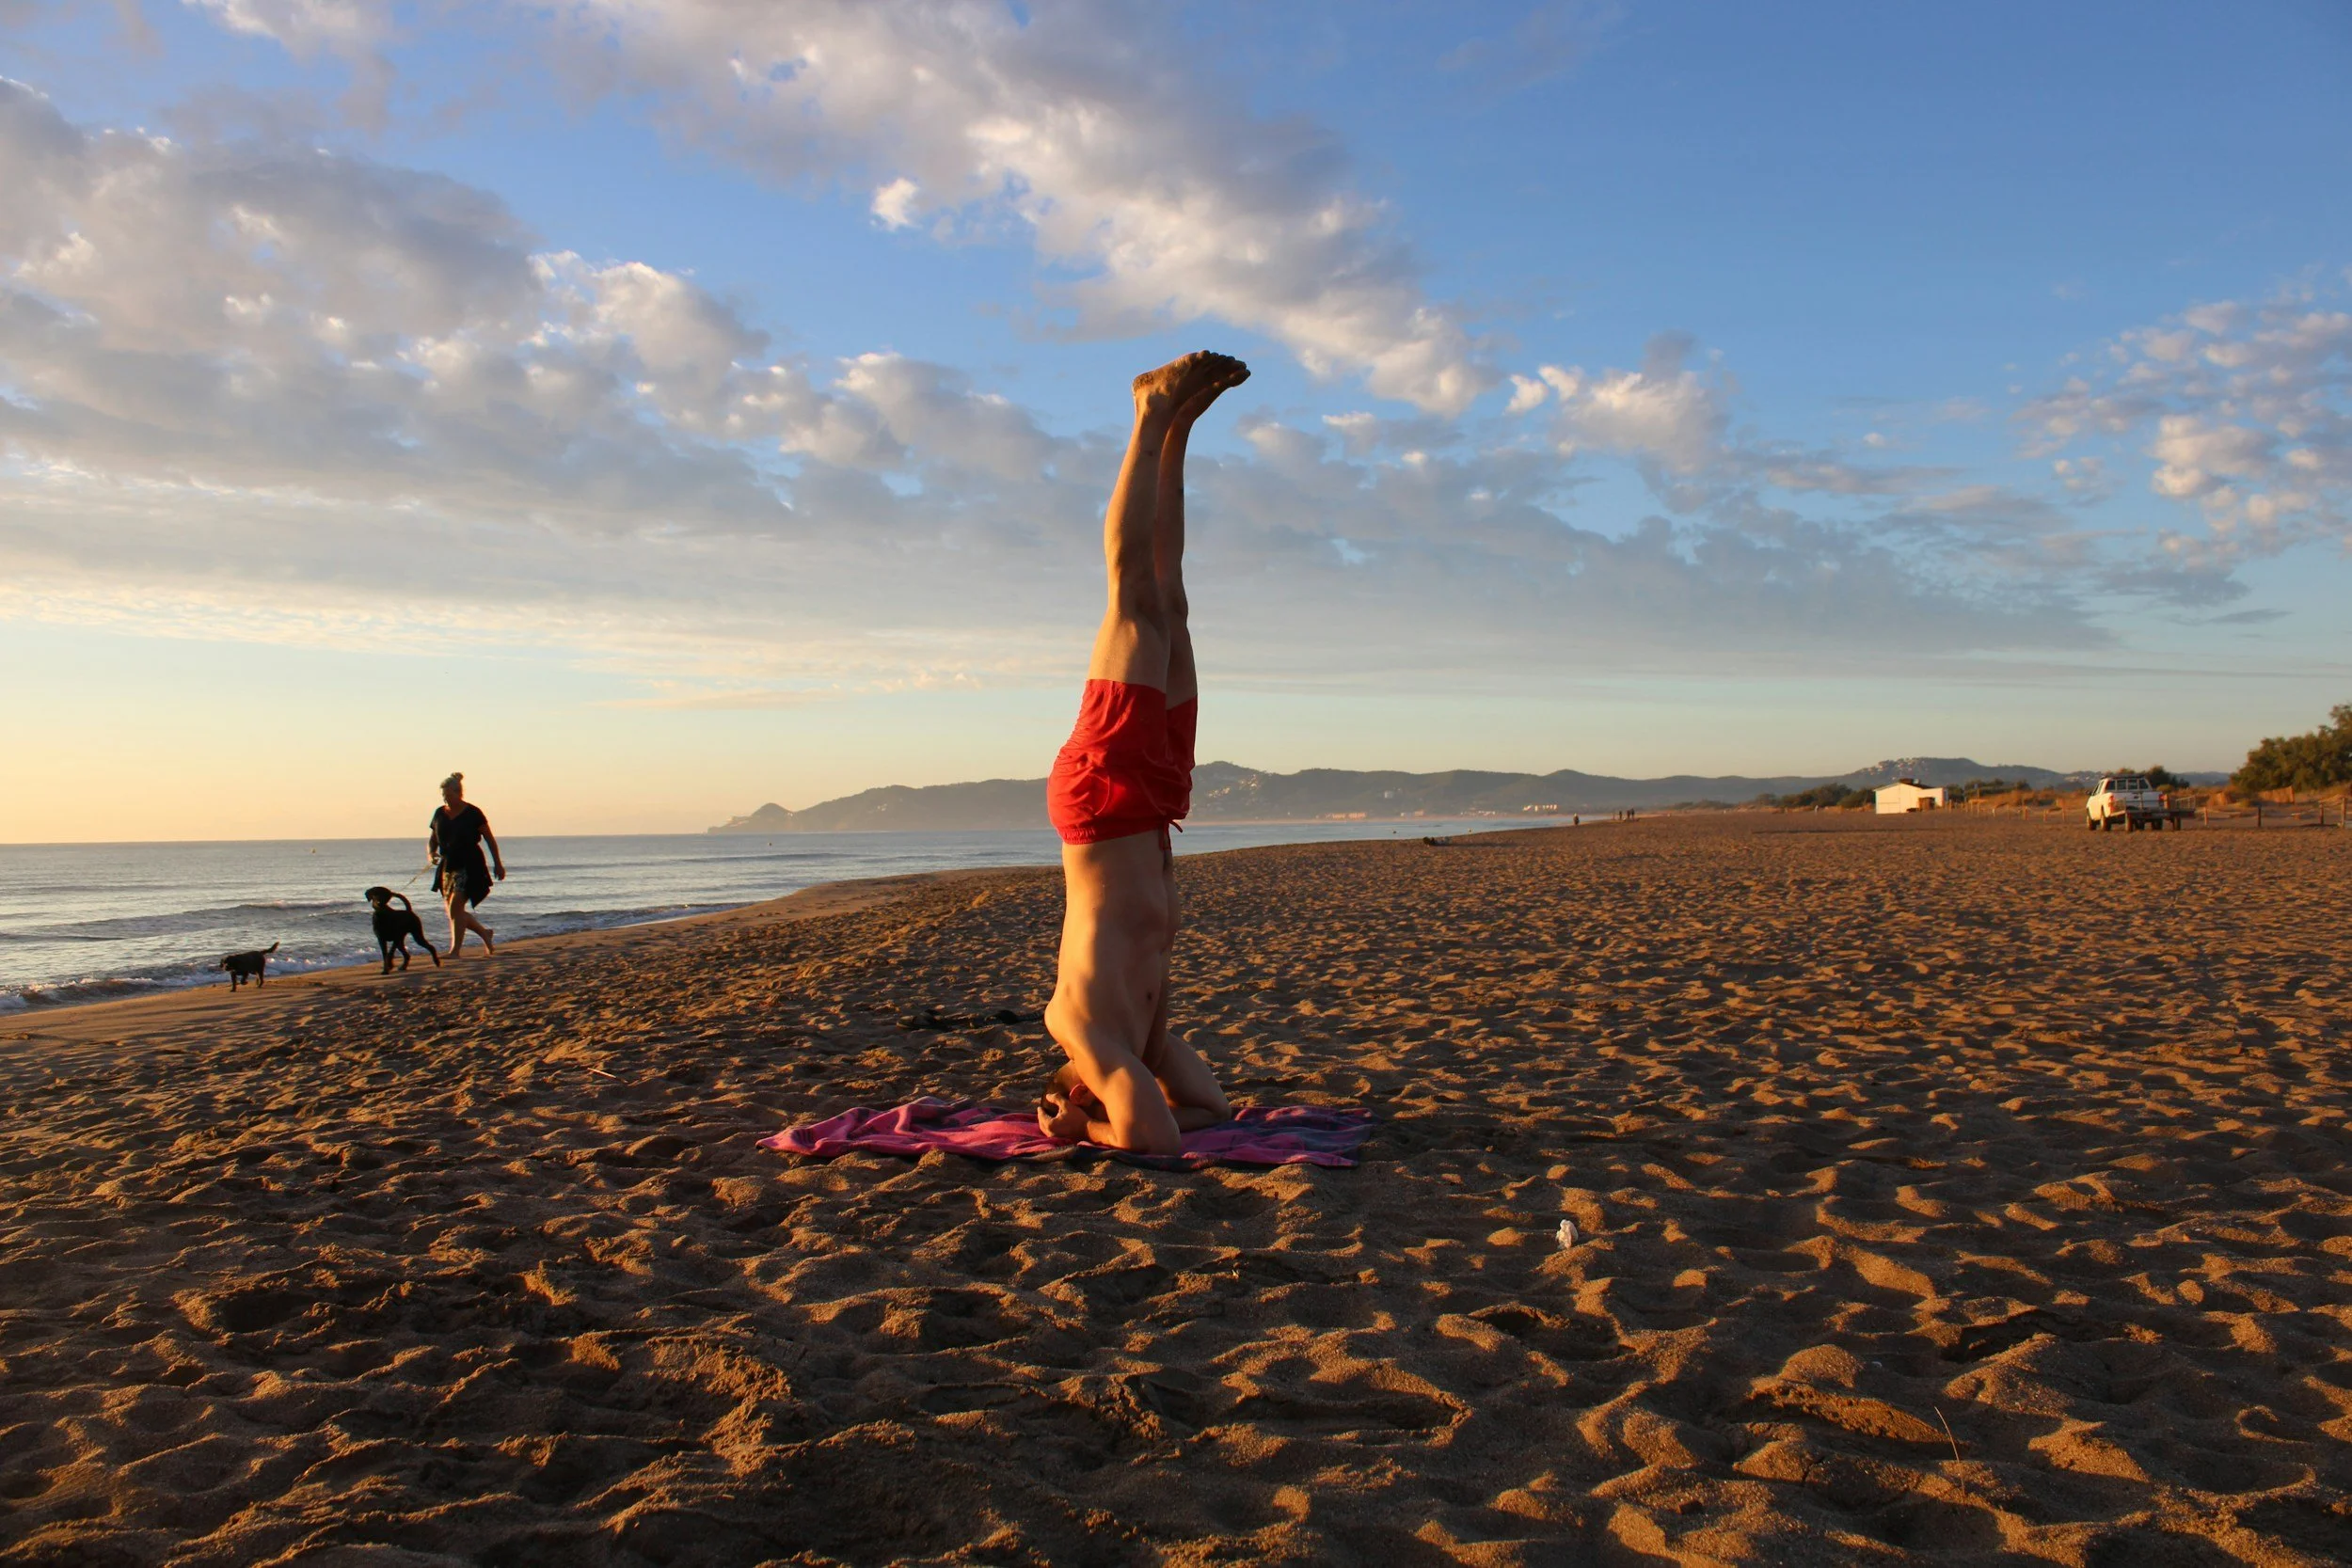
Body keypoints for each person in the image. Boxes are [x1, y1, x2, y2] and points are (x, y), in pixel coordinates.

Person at [1034, 352, 1248, 1155]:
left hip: (1101, 804)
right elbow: (1208, 1114)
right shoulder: (1143, 1048)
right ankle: (1180, 428)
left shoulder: (1083, 1030)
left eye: (1098, 1099)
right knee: (1173, 606)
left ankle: (1149, 413)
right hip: (1151, 807)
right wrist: (1120, 1101)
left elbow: (1152, 1139)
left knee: (1132, 601)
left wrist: (1079, 1127)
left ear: (1073, 1083)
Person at [428, 771, 503, 958]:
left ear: (458, 793)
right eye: (444, 796)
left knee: (455, 908)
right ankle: (485, 933)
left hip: (469, 864)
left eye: (449, 795)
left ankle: (455, 951)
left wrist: (498, 863)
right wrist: (431, 854)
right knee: (454, 912)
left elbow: (490, 839)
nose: (446, 799)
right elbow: (432, 839)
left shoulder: (473, 813)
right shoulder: (439, 813)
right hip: (447, 866)